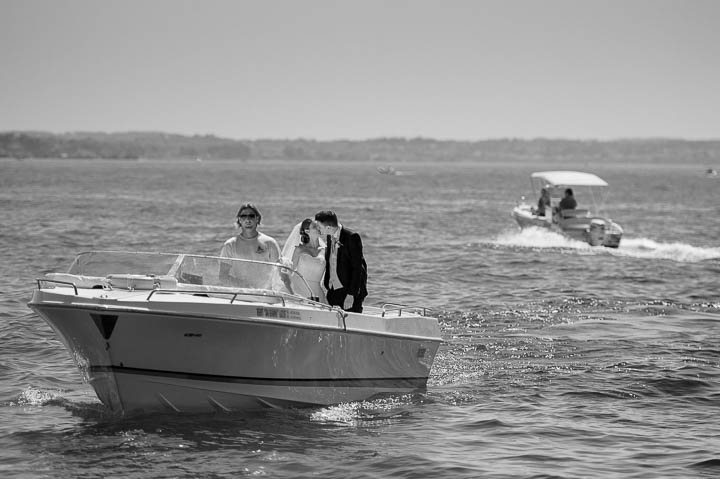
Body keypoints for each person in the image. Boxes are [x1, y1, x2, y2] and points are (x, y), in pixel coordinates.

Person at [315, 210, 368, 313]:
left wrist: (351, 294)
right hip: (333, 290)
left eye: (320, 227)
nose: (318, 230)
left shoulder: (352, 237)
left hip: (350, 292)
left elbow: (358, 268)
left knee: (351, 323)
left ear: (328, 227)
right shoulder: (330, 237)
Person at [219, 203, 281, 287]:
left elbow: (279, 273)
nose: (248, 220)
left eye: (251, 216)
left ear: (257, 219)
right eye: (244, 216)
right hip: (240, 295)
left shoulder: (270, 243)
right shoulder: (230, 245)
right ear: (239, 220)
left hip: (265, 295)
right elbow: (223, 276)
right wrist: (244, 286)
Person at [280, 218, 327, 302]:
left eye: (319, 226)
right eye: (315, 227)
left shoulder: (325, 250)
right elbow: (290, 271)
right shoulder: (299, 249)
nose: (318, 228)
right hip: (298, 289)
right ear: (307, 231)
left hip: (316, 291)